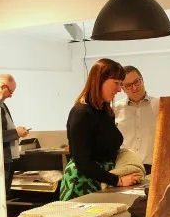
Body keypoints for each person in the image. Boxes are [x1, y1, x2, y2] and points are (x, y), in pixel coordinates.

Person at [60, 58, 141, 201]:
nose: (119, 89)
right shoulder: (81, 113)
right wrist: (118, 181)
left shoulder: (106, 111)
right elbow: (83, 162)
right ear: (99, 80)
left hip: (103, 180)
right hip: (82, 184)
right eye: (116, 83)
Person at [113, 66, 159, 174]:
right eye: (128, 85)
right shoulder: (114, 109)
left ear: (142, 80)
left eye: (136, 82)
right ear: (122, 88)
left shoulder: (160, 105)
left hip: (153, 168)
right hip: (125, 169)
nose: (134, 88)